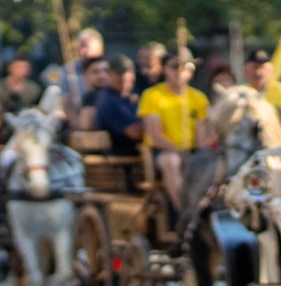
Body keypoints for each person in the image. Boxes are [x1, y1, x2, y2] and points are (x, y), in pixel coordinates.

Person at [137, 49, 210, 207]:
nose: (180, 72)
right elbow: (155, 136)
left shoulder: (199, 99)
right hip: (163, 151)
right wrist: (179, 150)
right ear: (164, 69)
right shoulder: (152, 95)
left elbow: (202, 136)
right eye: (174, 66)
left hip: (192, 151)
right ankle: (183, 210)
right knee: (171, 162)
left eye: (186, 67)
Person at [78, 56, 142, 158]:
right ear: (110, 75)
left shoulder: (126, 97)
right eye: (119, 73)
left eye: (127, 73)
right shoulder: (110, 101)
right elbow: (135, 133)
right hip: (123, 161)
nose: (124, 77)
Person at [242, 47, 281, 112]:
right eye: (255, 67)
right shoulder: (240, 93)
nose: (259, 73)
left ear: (271, 70)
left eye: (263, 67)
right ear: (245, 70)